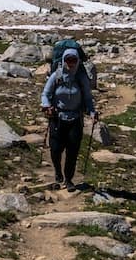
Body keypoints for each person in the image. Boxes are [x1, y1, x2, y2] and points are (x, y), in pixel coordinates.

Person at [40, 47, 96, 190]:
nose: (70, 63)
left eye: (73, 60)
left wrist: (92, 112)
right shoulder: (56, 76)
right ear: (63, 60)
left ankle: (69, 179)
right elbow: (45, 94)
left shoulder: (81, 78)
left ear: (77, 61)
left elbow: (88, 98)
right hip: (57, 117)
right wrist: (46, 106)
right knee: (55, 149)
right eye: (68, 60)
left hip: (75, 118)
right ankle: (58, 171)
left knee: (72, 150)